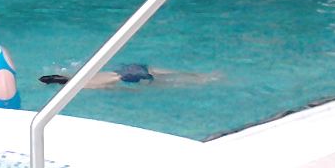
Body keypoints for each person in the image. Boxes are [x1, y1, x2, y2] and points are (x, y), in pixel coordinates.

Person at [39, 63, 218, 89]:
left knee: (163, 84)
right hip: (127, 69)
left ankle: (200, 81)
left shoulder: (80, 87)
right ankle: (201, 76)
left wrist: (133, 92)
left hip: (124, 78)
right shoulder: (76, 75)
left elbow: (108, 88)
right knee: (165, 73)